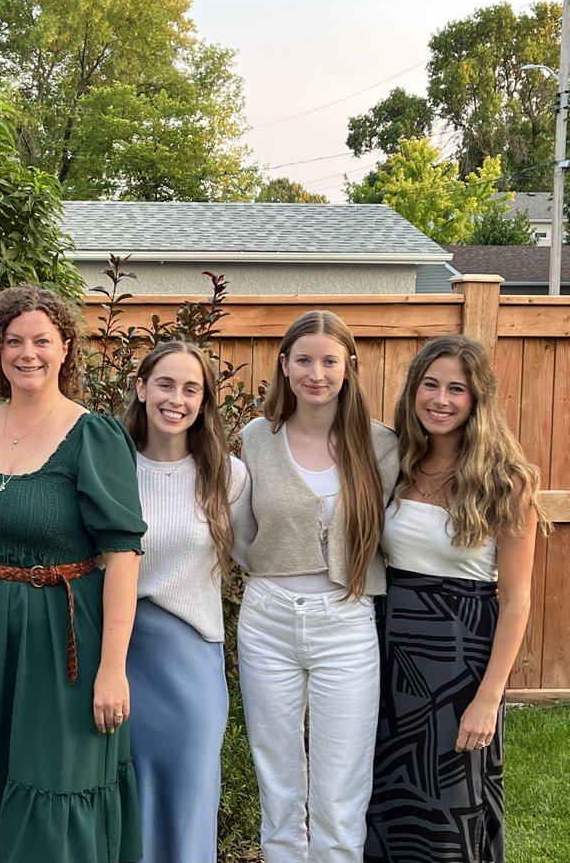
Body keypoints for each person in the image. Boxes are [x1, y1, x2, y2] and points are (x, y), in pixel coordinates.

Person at [0, 285, 147, 863]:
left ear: (66, 347)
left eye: (42, 340)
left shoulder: (93, 435)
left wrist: (114, 670)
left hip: (60, 630)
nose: (28, 353)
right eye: (14, 340)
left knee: (56, 771)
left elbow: (123, 553)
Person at [365, 335, 545, 862]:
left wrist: (488, 699)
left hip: (458, 665)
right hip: (387, 654)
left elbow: (515, 601)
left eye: (456, 390)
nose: (440, 400)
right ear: (413, 390)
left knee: (449, 806)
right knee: (383, 804)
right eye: (430, 385)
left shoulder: (506, 482)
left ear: (476, 400)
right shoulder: (392, 464)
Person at [237, 309, 397, 863]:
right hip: (268, 618)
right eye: (303, 359)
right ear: (284, 366)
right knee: (277, 775)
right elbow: (241, 530)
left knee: (341, 783)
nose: (316, 372)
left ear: (349, 367)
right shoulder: (256, 438)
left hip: (347, 619)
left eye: (329, 361)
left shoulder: (380, 447)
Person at [122, 341, 252, 863]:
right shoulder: (111, 467)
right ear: (141, 388)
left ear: (204, 401)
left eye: (191, 388)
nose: (176, 398)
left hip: (190, 662)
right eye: (165, 384)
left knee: (190, 799)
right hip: (118, 654)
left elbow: (259, 557)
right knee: (126, 800)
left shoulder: (228, 475)